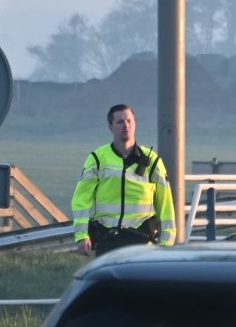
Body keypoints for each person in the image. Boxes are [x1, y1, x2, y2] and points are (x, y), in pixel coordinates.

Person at [71, 103, 176, 256]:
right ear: (111, 127)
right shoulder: (98, 159)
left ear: (135, 125)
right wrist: (81, 235)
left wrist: (166, 243)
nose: (125, 125)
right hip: (107, 239)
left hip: (142, 241)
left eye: (129, 121)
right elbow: (81, 199)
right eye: (120, 122)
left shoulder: (153, 161)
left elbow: (165, 205)